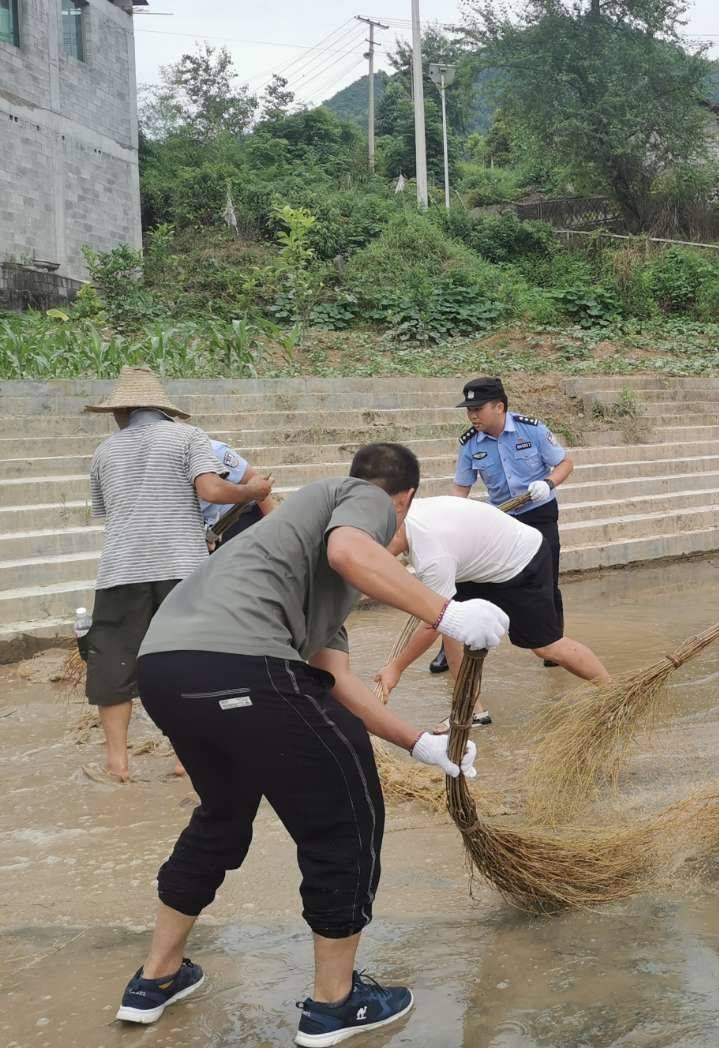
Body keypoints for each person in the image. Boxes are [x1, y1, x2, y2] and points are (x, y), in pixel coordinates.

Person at [115, 443, 510, 1044]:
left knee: (221, 816)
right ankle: (335, 1003)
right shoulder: (361, 497)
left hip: (166, 673)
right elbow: (351, 550)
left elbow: (337, 681)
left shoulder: (295, 573)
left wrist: (417, 743)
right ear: (403, 502)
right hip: (244, 665)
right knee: (347, 820)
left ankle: (157, 978)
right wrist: (446, 613)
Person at [82, 367, 272, 782]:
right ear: (162, 409)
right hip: (182, 568)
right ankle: (185, 759)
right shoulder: (189, 437)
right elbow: (212, 491)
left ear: (123, 411)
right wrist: (253, 493)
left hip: (120, 570)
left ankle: (117, 765)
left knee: (114, 665)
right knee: (190, 659)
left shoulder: (104, 451)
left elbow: (107, 512)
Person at [375, 495, 611, 722]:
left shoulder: (433, 556)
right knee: (452, 629)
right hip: (477, 561)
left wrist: (396, 668)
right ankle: (471, 709)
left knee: (546, 647)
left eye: (376, 549)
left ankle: (612, 692)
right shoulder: (404, 514)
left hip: (521, 560)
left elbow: (431, 624)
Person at [430, 376, 572, 675]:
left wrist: (548, 483)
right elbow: (461, 488)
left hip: (539, 512)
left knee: (546, 581)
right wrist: (450, 522)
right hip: (501, 519)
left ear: (500, 407)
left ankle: (553, 642)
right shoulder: (470, 444)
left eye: (478, 409)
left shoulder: (530, 429)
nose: (472, 415)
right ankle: (449, 648)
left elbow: (564, 464)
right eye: (469, 410)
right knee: (467, 584)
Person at [199, 439, 278, 550]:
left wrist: (275, 529)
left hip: (237, 516)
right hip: (205, 530)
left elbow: (254, 480)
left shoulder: (214, 451)